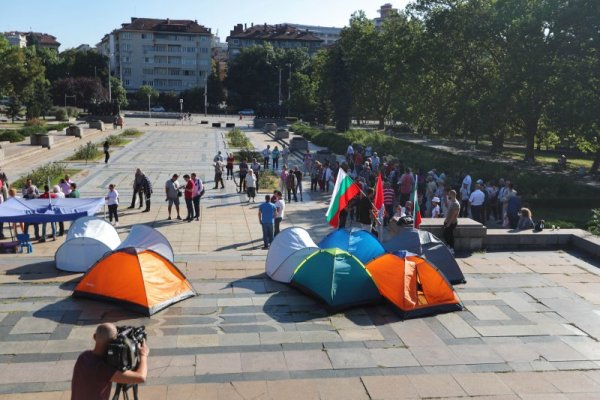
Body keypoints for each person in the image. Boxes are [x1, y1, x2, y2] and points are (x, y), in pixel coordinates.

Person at [71, 323, 149, 400]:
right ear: (114, 342)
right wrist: (143, 355)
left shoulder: (83, 356)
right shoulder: (104, 369)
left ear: (94, 337)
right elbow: (141, 377)